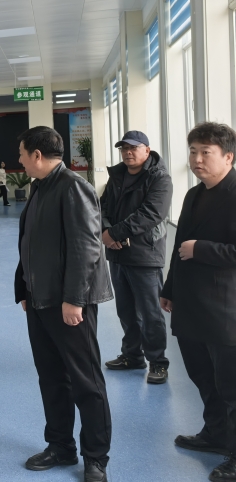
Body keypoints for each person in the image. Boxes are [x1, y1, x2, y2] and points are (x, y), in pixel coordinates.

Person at [15, 126, 113, 482]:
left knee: (86, 381)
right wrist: (24, 289)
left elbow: (86, 248)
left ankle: (96, 457)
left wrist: (74, 300)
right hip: (40, 300)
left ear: (37, 155)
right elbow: (30, 242)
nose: (20, 161)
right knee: (52, 377)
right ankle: (60, 446)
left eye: (22, 154)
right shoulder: (40, 187)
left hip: (68, 304)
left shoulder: (72, 187)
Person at [161, 122, 236, 481]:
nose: (197, 159)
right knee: (202, 376)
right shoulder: (193, 194)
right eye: (193, 151)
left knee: (231, 385)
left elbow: (196, 247)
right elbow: (180, 248)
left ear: (229, 157)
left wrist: (202, 250)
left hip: (225, 309)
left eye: (206, 152)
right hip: (191, 305)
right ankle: (215, 434)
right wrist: (169, 288)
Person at [99, 130, 172, 384]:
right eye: (124, 149)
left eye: (133, 148)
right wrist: (106, 231)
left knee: (150, 312)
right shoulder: (117, 176)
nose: (128, 153)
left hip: (145, 255)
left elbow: (151, 214)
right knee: (126, 310)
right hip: (118, 254)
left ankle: (158, 362)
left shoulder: (159, 178)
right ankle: (132, 356)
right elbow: (102, 207)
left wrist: (113, 233)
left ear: (147, 150)